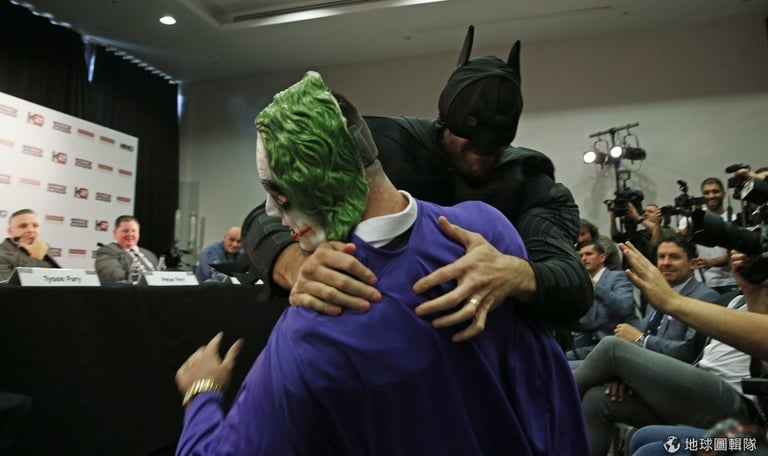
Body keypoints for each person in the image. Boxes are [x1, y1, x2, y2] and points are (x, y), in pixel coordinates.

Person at [175, 71, 589, 455]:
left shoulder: (313, 334)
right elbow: (547, 392)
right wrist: (294, 262)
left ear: (317, 183)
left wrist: (202, 391)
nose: (271, 208)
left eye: (278, 193)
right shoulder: (488, 228)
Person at [241, 26, 591, 342]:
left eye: (492, 148)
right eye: (468, 141)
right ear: (446, 121)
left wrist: (516, 274)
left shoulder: (529, 183)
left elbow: (572, 283)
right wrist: (296, 266)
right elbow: (267, 215)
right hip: (375, 335)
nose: (478, 157)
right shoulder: (384, 148)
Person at [619, 242, 768, 456]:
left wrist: (671, 301)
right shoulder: (736, 300)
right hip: (750, 430)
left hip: (750, 438)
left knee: (652, 451)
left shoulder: (705, 294)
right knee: (641, 436)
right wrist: (752, 292)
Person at [610, 233, 720, 362]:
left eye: (674, 257)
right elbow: (645, 331)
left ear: (693, 264)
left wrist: (641, 340)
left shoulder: (705, 297)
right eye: (661, 257)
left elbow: (690, 351)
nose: (666, 263)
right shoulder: (655, 293)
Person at [567, 241, 639, 360]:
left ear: (602, 257)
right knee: (563, 358)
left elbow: (625, 307)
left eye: (589, 254)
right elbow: (584, 324)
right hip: (596, 346)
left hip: (622, 344)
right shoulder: (583, 284)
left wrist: (596, 287)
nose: (584, 258)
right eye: (581, 255)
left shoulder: (619, 276)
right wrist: (576, 352)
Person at [678, 177, 739, 295]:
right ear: (702, 196)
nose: (711, 196)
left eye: (715, 191)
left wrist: (712, 262)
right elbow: (680, 242)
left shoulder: (734, 219)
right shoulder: (692, 219)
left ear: (724, 194)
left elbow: (737, 251)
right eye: (707, 193)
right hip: (701, 282)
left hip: (729, 281)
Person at [0, 208, 60, 282]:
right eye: (23, 226)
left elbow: (57, 278)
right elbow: (8, 287)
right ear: (10, 231)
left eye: (35, 225)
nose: (31, 230)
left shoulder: (43, 247)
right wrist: (36, 258)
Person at [94, 215, 158, 283]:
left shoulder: (149, 254)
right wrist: (150, 281)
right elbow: (116, 277)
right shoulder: (107, 251)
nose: (130, 234)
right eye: (126, 231)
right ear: (115, 232)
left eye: (133, 231)